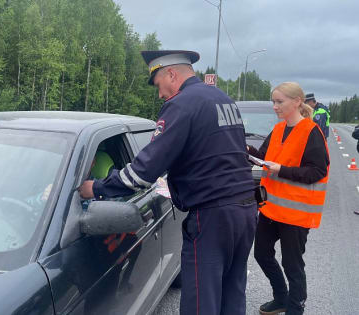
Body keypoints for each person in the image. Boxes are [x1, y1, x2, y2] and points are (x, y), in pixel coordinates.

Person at [79, 50, 257, 315]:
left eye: (158, 85)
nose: (160, 94)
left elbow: (142, 172)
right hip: (245, 212)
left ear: (171, 74)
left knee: (201, 305)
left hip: (212, 217)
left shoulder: (182, 104)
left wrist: (96, 188)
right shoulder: (224, 99)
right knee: (232, 294)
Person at [248, 82, 330, 315]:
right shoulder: (279, 129)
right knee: (262, 254)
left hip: (296, 213)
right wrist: (245, 150)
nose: (275, 106)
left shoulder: (311, 131)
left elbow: (317, 171)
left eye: (279, 102)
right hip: (271, 209)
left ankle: (295, 308)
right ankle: (281, 298)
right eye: (273, 101)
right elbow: (263, 157)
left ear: (297, 102)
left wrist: (281, 170)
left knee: (293, 265)